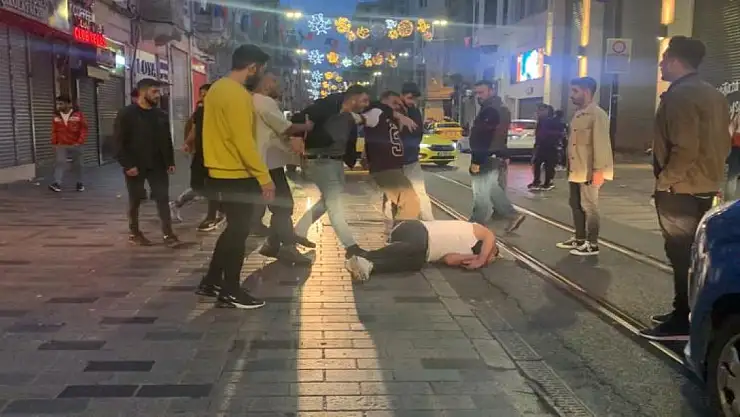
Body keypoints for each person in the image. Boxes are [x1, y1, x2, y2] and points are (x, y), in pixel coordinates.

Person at [641, 36, 731, 341]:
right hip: (706, 185)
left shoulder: (679, 96)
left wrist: (664, 182)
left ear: (676, 60)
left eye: (664, 58)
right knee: (696, 254)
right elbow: (723, 143)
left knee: (680, 255)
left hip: (680, 190)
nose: (661, 64)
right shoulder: (713, 94)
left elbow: (685, 148)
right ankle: (690, 311)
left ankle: (682, 319)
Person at [194, 44, 272, 309]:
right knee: (238, 233)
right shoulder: (237, 94)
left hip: (219, 171)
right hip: (236, 173)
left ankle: (211, 281)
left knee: (233, 230)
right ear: (252, 67)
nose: (261, 75)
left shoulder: (217, 88)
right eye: (261, 70)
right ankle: (230, 290)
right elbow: (243, 141)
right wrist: (263, 177)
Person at [293, 86, 371, 259]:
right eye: (364, 100)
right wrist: (297, 137)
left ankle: (298, 231)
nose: (366, 105)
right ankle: (351, 246)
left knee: (326, 202)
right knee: (334, 204)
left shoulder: (350, 116)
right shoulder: (329, 105)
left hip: (335, 162)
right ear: (353, 98)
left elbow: (371, 115)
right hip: (321, 161)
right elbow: (300, 116)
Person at [250, 72, 316, 264]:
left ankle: (272, 244)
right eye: (274, 80)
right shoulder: (263, 101)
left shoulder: (250, 101)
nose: (278, 84)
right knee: (283, 205)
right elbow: (285, 127)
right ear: (265, 84)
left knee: (280, 205)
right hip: (268, 162)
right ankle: (287, 248)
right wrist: (307, 127)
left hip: (262, 161)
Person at [114, 78, 179, 247]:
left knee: (162, 198)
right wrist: (127, 165)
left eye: (158, 92)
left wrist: (170, 161)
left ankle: (168, 233)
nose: (158, 95)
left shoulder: (161, 115)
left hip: (157, 164)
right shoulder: (127, 114)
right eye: (154, 91)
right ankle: (134, 232)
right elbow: (118, 142)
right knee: (135, 199)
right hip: (135, 165)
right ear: (143, 92)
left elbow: (166, 140)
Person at [555, 77, 613, 256]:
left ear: (586, 92)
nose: (571, 95)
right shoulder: (578, 114)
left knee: (589, 206)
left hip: (589, 170)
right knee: (575, 203)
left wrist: (598, 171)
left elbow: (601, 144)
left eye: (575, 91)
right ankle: (579, 238)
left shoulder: (597, 115)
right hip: (576, 169)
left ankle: (592, 243)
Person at [345, 220, 499, 281]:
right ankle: (364, 255)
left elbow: (449, 260)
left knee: (416, 263)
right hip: (416, 229)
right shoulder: (475, 231)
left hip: (422, 249)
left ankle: (368, 265)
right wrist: (482, 258)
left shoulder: (470, 253)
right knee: (415, 248)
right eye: (492, 250)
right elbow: (489, 235)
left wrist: (478, 258)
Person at [468, 80, 525, 232]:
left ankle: (475, 224)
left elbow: (485, 136)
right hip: (494, 154)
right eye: (477, 93)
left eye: (481, 92)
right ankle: (512, 215)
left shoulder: (491, 110)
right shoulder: (498, 108)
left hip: (486, 155)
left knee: (480, 191)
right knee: (491, 188)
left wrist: (477, 159)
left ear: (491, 91)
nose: (478, 96)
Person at [170, 84, 225, 231]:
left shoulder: (220, 112)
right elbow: (195, 129)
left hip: (215, 155)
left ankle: (212, 216)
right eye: (201, 95)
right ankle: (220, 209)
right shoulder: (200, 111)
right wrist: (187, 143)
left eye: (206, 95)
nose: (203, 98)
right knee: (197, 185)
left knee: (213, 186)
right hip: (200, 154)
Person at [363, 91, 420, 231]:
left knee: (400, 205)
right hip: (385, 167)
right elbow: (370, 111)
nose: (397, 107)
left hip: (394, 167)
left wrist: (400, 115)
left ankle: (398, 235)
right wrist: (397, 115)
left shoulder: (391, 119)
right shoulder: (376, 112)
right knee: (410, 202)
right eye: (394, 103)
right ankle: (404, 235)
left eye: (399, 104)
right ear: (384, 100)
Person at [400, 82, 434, 220]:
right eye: (409, 98)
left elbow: (417, 133)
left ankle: (429, 221)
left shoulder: (414, 111)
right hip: (396, 160)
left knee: (420, 192)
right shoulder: (395, 110)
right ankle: (397, 222)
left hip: (410, 159)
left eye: (414, 99)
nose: (412, 102)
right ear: (401, 95)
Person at [49, 94, 88, 193]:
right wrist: (54, 143)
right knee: (60, 162)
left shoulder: (78, 115)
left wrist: (80, 141)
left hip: (76, 144)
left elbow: (83, 129)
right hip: (61, 144)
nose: (59, 106)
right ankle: (57, 183)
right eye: (58, 104)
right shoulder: (56, 116)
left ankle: (79, 183)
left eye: (61, 104)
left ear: (69, 104)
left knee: (78, 164)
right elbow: (54, 130)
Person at [528, 104, 563, 191]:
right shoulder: (540, 121)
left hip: (550, 146)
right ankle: (536, 181)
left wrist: (547, 134)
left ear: (546, 111)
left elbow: (560, 133)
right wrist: (536, 144)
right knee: (537, 163)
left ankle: (548, 183)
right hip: (541, 146)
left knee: (549, 165)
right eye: (538, 110)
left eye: (541, 110)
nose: (538, 112)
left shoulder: (553, 121)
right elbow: (538, 134)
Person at [725, 111, 740, 201]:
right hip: (736, 146)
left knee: (732, 175)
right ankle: (728, 200)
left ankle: (728, 201)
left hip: (736, 146)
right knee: (732, 175)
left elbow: (730, 130)